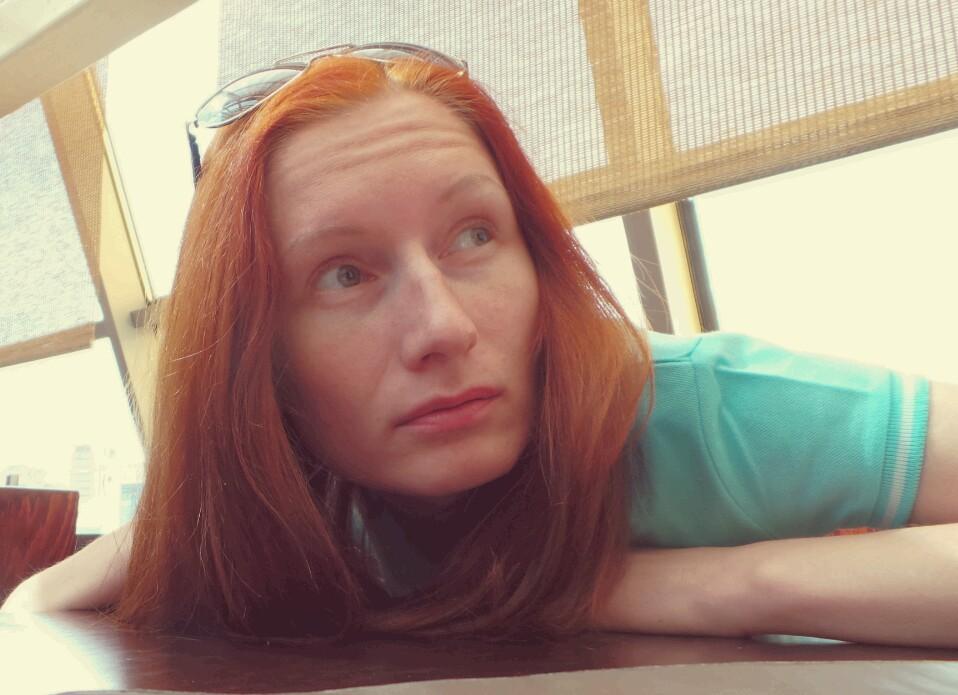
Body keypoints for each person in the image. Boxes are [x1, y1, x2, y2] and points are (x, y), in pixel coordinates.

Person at [4, 43, 957, 648]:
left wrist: (724, 584)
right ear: (258, 357)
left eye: (472, 236)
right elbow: (32, 616)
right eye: (344, 274)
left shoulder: (695, 409)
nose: (444, 328)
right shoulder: (282, 489)